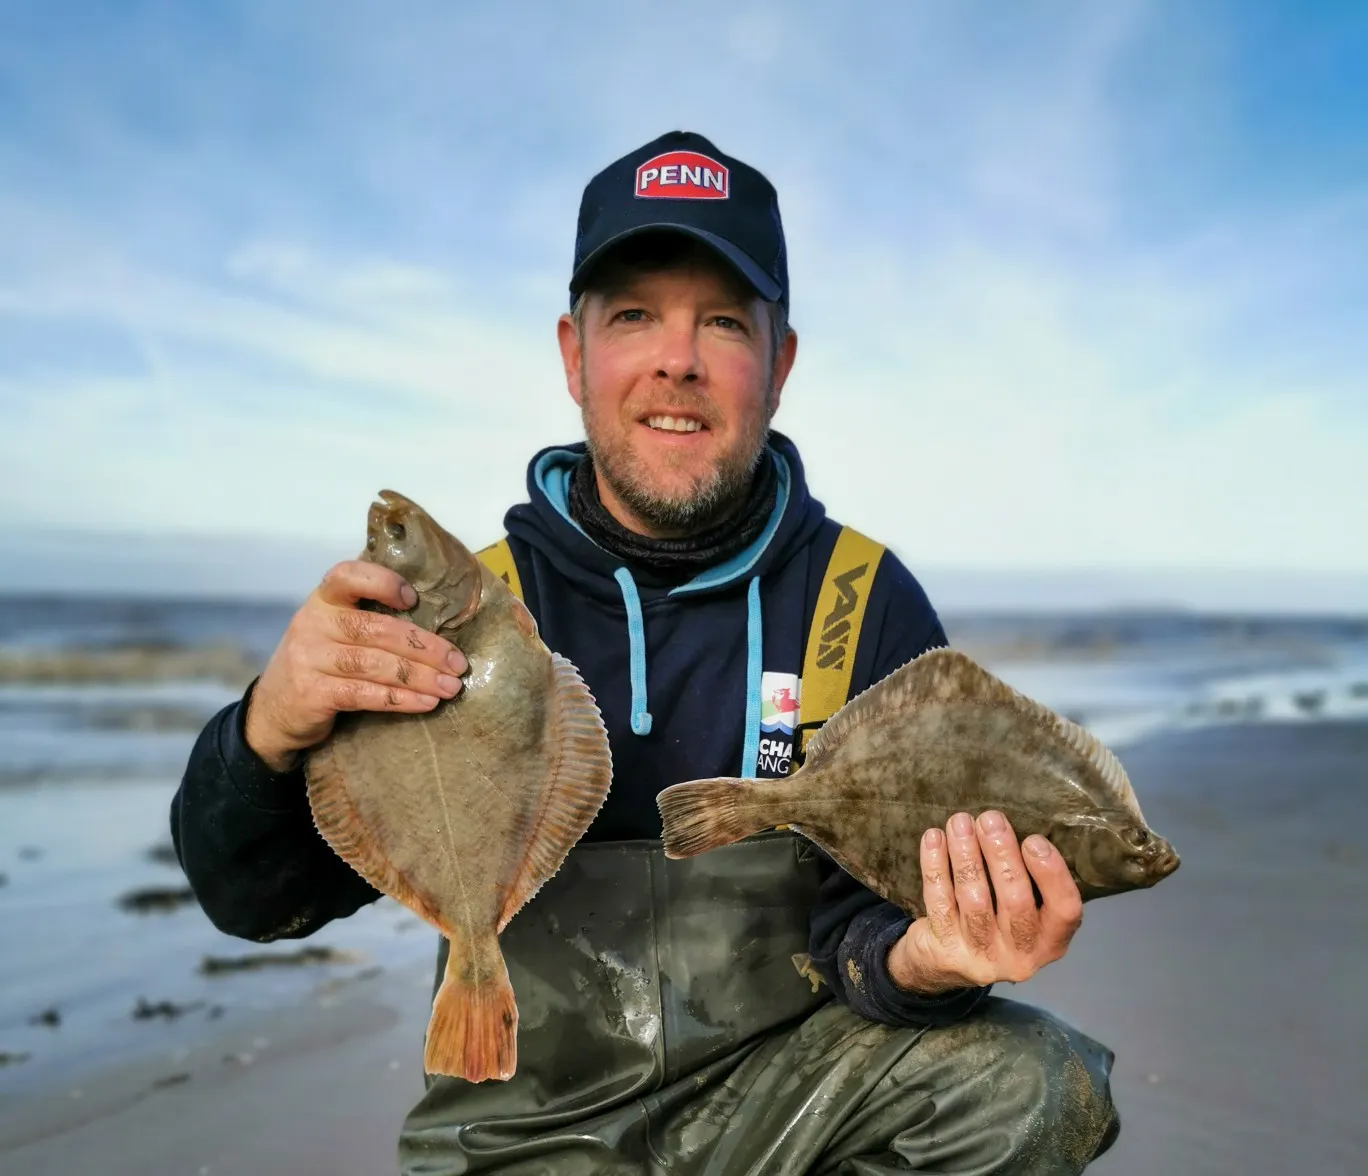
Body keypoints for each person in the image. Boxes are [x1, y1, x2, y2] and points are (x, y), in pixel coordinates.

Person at [171, 131, 1121, 1175]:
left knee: (1035, 1088)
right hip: (523, 1128)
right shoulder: (450, 612)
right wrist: (268, 730)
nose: (678, 359)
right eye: (634, 317)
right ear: (574, 355)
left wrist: (933, 957)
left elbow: (869, 944)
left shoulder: (861, 603)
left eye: (723, 321)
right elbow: (260, 899)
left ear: (781, 362)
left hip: (786, 1108)